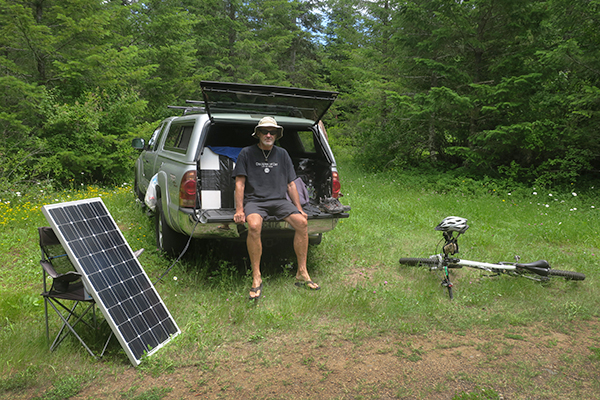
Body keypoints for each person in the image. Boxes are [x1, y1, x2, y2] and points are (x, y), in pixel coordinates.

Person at [233, 116, 320, 300]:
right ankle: (256, 276)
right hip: (255, 201)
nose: (268, 134)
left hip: (279, 201)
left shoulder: (283, 154)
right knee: (254, 226)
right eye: (264, 131)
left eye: (272, 132)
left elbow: (291, 184)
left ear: (277, 135)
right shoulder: (246, 153)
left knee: (302, 222)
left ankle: (302, 273)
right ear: (258, 134)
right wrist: (239, 210)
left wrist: (299, 207)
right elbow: (240, 184)